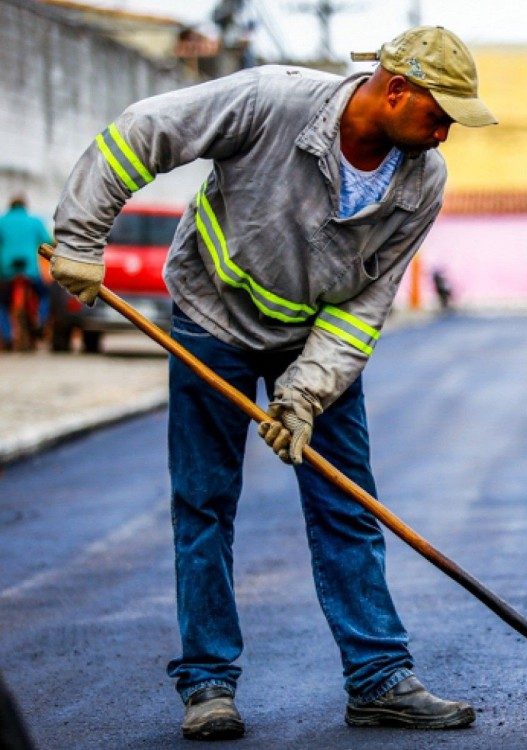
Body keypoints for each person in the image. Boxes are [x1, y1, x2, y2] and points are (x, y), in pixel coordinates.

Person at [48, 26, 497, 741]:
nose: (444, 133)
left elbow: (364, 305)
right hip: (210, 322)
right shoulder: (271, 102)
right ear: (396, 87)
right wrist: (79, 239)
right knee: (203, 505)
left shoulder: (422, 180)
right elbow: (142, 133)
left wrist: (305, 395)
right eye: (438, 114)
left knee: (347, 506)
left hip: (310, 345)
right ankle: (208, 686)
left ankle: (379, 677)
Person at [0, 196, 54, 349]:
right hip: (30, 270)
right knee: (44, 294)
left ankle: (7, 334)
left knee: (2, 304)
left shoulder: (2, 221)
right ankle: (41, 321)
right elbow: (47, 240)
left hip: (7, 270)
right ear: (25, 206)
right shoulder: (34, 221)